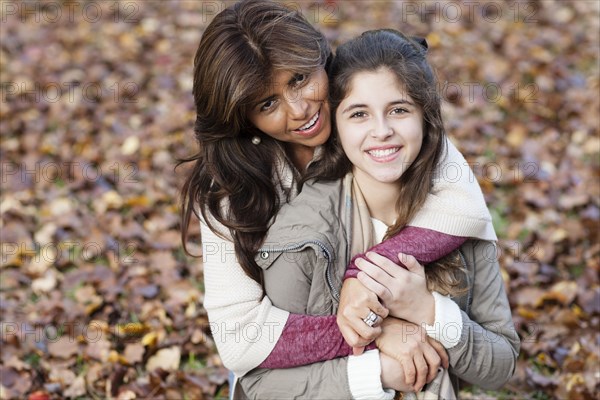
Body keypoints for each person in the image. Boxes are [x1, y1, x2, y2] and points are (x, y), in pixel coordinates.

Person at [179, 1, 505, 398]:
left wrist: (363, 275)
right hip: (287, 374)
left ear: (320, 56)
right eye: (268, 104)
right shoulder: (229, 188)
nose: (299, 110)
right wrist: (373, 332)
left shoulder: (369, 114)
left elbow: (463, 206)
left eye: (300, 79)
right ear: (242, 117)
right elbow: (239, 338)